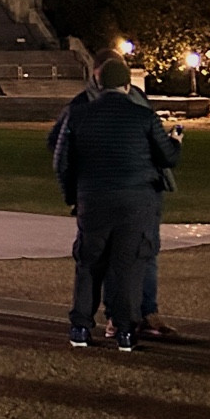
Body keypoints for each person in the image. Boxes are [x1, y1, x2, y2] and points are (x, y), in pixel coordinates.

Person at [53, 55, 181, 354]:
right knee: (128, 266)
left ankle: (80, 327)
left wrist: (74, 196)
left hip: (94, 199)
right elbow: (168, 157)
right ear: (127, 85)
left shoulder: (78, 115)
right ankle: (125, 330)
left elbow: (62, 162)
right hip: (135, 201)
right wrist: (176, 140)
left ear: (98, 83)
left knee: (89, 264)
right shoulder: (143, 116)